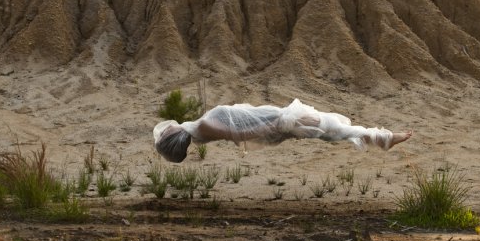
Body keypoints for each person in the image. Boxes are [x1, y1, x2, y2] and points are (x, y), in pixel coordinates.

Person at [154, 99, 412, 163]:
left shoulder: (195, 132)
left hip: (277, 118)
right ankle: (385, 138)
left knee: (330, 129)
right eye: (166, 133)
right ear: (172, 134)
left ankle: (383, 138)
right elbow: (241, 134)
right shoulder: (203, 127)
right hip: (279, 120)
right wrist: (280, 123)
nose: (165, 129)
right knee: (331, 128)